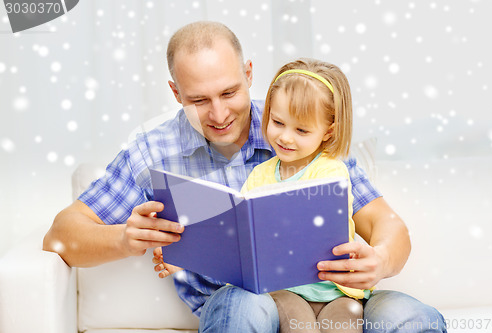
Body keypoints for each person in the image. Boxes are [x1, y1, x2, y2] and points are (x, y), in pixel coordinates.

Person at [44, 21, 446, 332]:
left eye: (229, 93)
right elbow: (61, 235)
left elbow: (388, 225)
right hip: (243, 304)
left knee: (411, 317)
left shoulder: (295, 124)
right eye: (199, 100)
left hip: (337, 297)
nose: (219, 115)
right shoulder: (152, 150)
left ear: (250, 73)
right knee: (242, 304)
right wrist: (123, 239)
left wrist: (379, 260)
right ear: (175, 92)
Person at [235, 58, 365, 333]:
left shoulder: (331, 171)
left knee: (345, 326)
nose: (285, 137)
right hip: (284, 289)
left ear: (328, 132)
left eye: (301, 130)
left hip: (338, 292)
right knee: (299, 327)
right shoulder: (259, 175)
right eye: (277, 122)